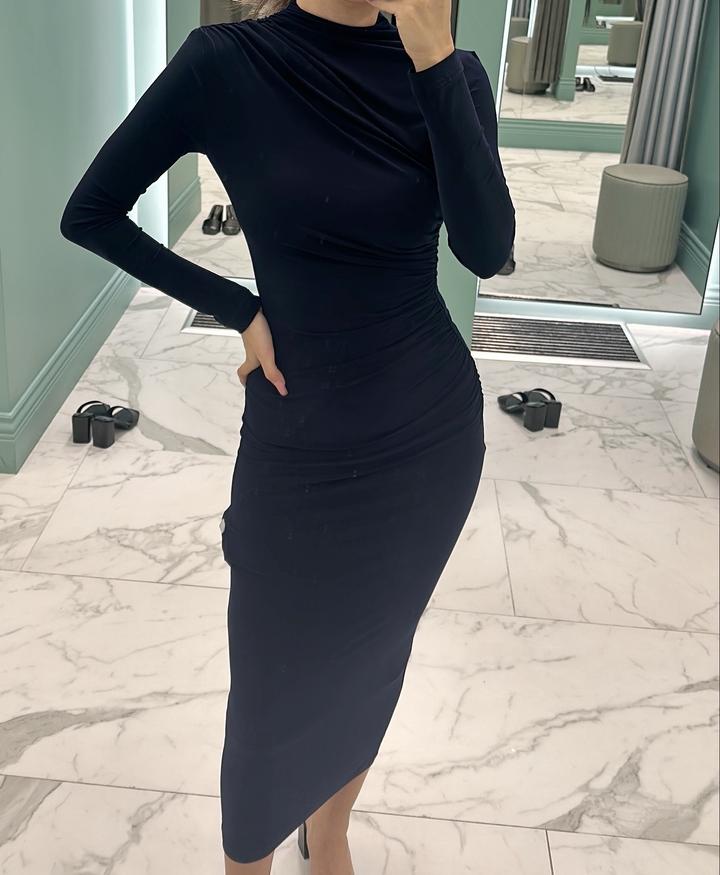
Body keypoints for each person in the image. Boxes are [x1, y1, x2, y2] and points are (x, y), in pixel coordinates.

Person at [60, 0, 515, 872]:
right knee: (270, 697)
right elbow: (92, 211)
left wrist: (434, 63)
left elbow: (486, 249)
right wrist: (238, 307)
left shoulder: (450, 71)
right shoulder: (226, 63)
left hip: (429, 434)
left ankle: (330, 829)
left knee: (375, 659)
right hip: (300, 438)